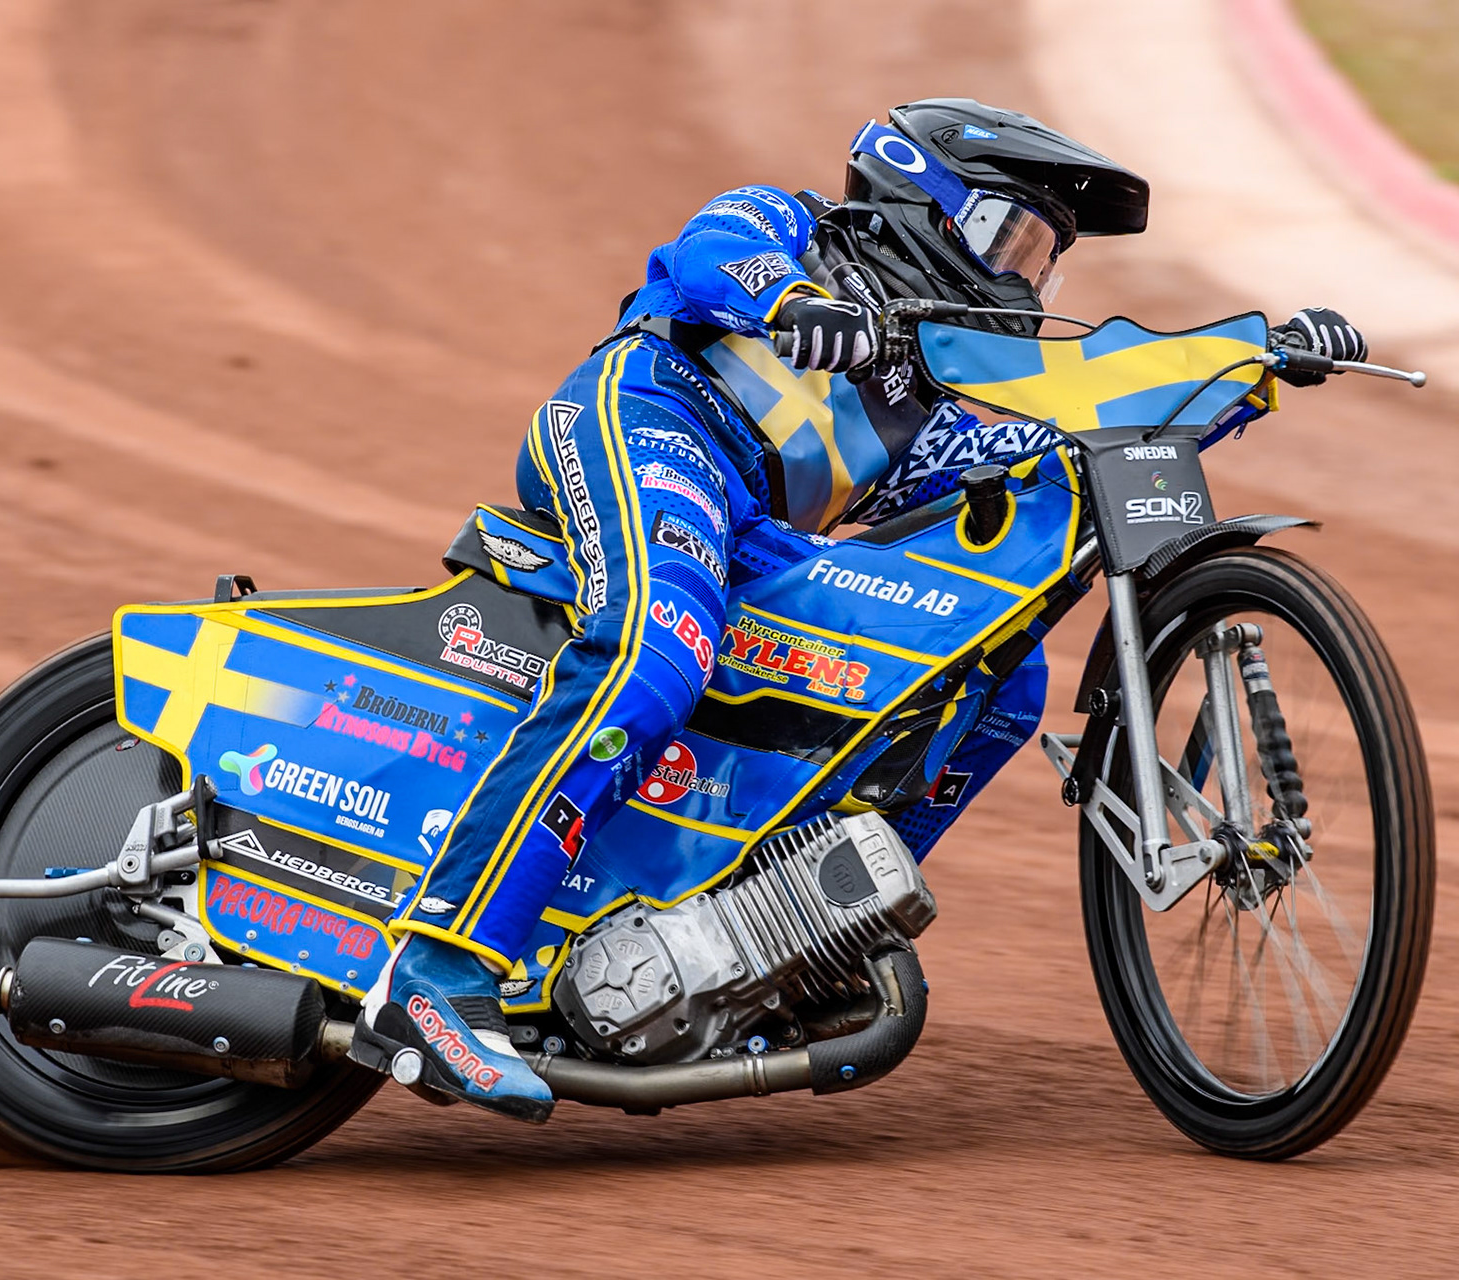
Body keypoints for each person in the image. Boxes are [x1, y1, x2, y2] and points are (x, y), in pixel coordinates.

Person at [349, 98, 1368, 1120]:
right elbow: (714, 252)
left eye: (1045, 257)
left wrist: (1254, 362)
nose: (1027, 274)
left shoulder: (926, 398)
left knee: (999, 673)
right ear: (925, 200)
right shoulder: (792, 224)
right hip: (646, 420)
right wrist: (793, 301)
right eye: (1012, 236)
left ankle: (788, 929)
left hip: (752, 523)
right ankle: (436, 964)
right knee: (657, 652)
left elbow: (1048, 439)